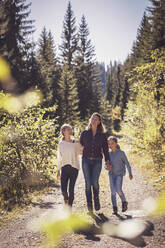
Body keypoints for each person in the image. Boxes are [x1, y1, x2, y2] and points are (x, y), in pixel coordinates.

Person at [80, 113, 111, 212]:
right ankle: (89, 204)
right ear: (90, 120)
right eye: (92, 119)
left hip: (97, 161)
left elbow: (105, 149)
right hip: (86, 160)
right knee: (88, 183)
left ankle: (96, 200)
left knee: (95, 182)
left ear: (99, 122)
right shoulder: (84, 133)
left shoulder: (102, 135)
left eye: (96, 119)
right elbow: (80, 145)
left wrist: (108, 161)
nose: (94, 120)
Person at [57, 124, 82, 208]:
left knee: (71, 189)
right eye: (68, 129)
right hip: (64, 168)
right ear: (63, 132)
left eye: (70, 129)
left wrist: (80, 144)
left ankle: (69, 208)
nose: (70, 131)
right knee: (63, 190)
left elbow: (81, 152)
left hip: (74, 168)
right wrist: (58, 171)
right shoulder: (61, 144)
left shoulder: (75, 142)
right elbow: (59, 158)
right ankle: (66, 200)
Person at [107, 136, 133, 215]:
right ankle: (115, 208)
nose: (110, 145)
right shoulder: (108, 154)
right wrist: (107, 167)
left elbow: (127, 163)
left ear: (116, 143)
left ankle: (124, 202)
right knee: (112, 192)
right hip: (111, 174)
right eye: (109, 144)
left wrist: (130, 173)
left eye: (112, 143)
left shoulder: (121, 153)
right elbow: (106, 164)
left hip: (119, 174)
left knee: (118, 190)